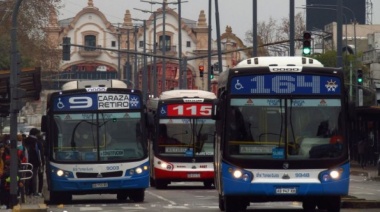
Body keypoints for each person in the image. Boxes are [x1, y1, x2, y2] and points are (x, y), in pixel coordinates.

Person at [24, 128, 43, 196]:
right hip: (35, 161)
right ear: (36, 134)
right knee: (34, 176)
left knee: (27, 176)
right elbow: (39, 153)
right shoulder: (37, 141)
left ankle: (26, 191)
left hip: (26, 161)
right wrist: (41, 163)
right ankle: (34, 192)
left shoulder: (25, 140)